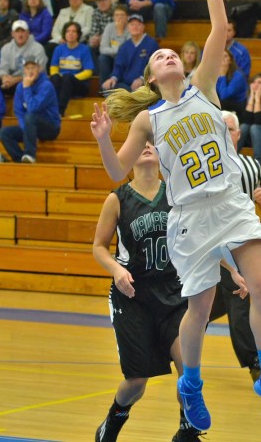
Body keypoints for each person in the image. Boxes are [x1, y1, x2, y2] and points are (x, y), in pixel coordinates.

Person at [91, 0, 261, 432]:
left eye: (170, 52)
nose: (167, 55)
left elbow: (219, 27)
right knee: (199, 309)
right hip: (188, 217)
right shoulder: (148, 119)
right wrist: (102, 140)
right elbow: (117, 172)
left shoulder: (204, 84)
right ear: (152, 78)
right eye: (158, 56)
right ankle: (192, 384)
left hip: (229, 202)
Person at [93, 143, 205, 442]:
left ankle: (187, 433)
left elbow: (202, 239)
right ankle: (112, 424)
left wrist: (234, 271)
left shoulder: (177, 195)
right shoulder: (117, 199)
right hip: (134, 298)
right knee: (136, 382)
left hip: (175, 296)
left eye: (152, 142)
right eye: (139, 142)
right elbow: (99, 247)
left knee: (189, 376)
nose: (145, 145)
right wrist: (117, 270)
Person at [210, 109, 261, 382]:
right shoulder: (209, 166)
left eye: (229, 129)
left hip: (243, 246)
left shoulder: (252, 166)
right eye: (219, 129)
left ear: (238, 133)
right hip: (213, 243)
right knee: (211, 303)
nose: (225, 133)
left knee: (237, 300)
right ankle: (174, 335)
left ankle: (256, 363)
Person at [0, 55, 60, 163]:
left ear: (39, 69)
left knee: (30, 116)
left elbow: (32, 108)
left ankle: (29, 154)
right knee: (4, 133)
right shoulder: (19, 87)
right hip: (30, 126)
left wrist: (27, 87)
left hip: (50, 127)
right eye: (27, 68)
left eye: (33, 68)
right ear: (24, 70)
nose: (30, 71)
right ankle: (21, 161)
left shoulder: (46, 86)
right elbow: (18, 111)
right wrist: (26, 130)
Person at [101, 14, 159, 93]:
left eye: (138, 24)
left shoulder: (152, 44)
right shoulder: (124, 46)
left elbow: (154, 67)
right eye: (132, 25)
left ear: (143, 27)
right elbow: (119, 66)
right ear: (128, 28)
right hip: (126, 85)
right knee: (108, 88)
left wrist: (142, 78)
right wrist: (113, 78)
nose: (135, 27)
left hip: (145, 84)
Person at [50, 22, 94, 116]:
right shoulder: (59, 49)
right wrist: (60, 76)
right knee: (54, 78)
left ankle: (59, 112)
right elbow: (53, 68)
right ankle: (49, 109)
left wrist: (71, 77)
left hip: (79, 85)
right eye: (68, 31)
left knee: (67, 78)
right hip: (63, 83)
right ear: (64, 34)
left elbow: (88, 71)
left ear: (78, 34)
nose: (70, 33)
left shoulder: (84, 49)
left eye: (74, 31)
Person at [0, 20, 47, 96]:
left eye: (23, 31)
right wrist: (5, 78)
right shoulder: (5, 48)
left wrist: (16, 80)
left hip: (32, 81)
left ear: (28, 33)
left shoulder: (38, 48)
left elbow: (39, 71)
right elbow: (3, 67)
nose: (20, 35)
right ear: (12, 34)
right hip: (11, 80)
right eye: (17, 31)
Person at [98, 5, 129, 85]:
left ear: (127, 17)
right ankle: (103, 87)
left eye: (122, 15)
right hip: (110, 57)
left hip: (125, 59)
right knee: (102, 58)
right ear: (113, 17)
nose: (119, 17)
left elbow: (126, 51)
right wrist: (116, 51)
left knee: (119, 59)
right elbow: (102, 49)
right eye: (117, 15)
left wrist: (120, 32)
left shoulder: (130, 28)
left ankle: (117, 85)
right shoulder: (109, 27)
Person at [216, 49, 247, 118]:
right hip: (224, 104)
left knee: (221, 103)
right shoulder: (214, 73)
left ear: (230, 60)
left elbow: (224, 95)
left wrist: (223, 76)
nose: (222, 58)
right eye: (220, 56)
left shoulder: (238, 75)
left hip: (238, 106)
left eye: (225, 56)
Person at [89, 0, 114, 64]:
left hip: (114, 43)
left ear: (110, 0)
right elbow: (93, 32)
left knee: (103, 57)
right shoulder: (96, 12)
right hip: (101, 42)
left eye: (104, 0)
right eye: (99, 1)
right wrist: (93, 39)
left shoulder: (116, 11)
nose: (102, 3)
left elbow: (116, 33)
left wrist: (102, 38)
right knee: (89, 47)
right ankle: (97, 73)